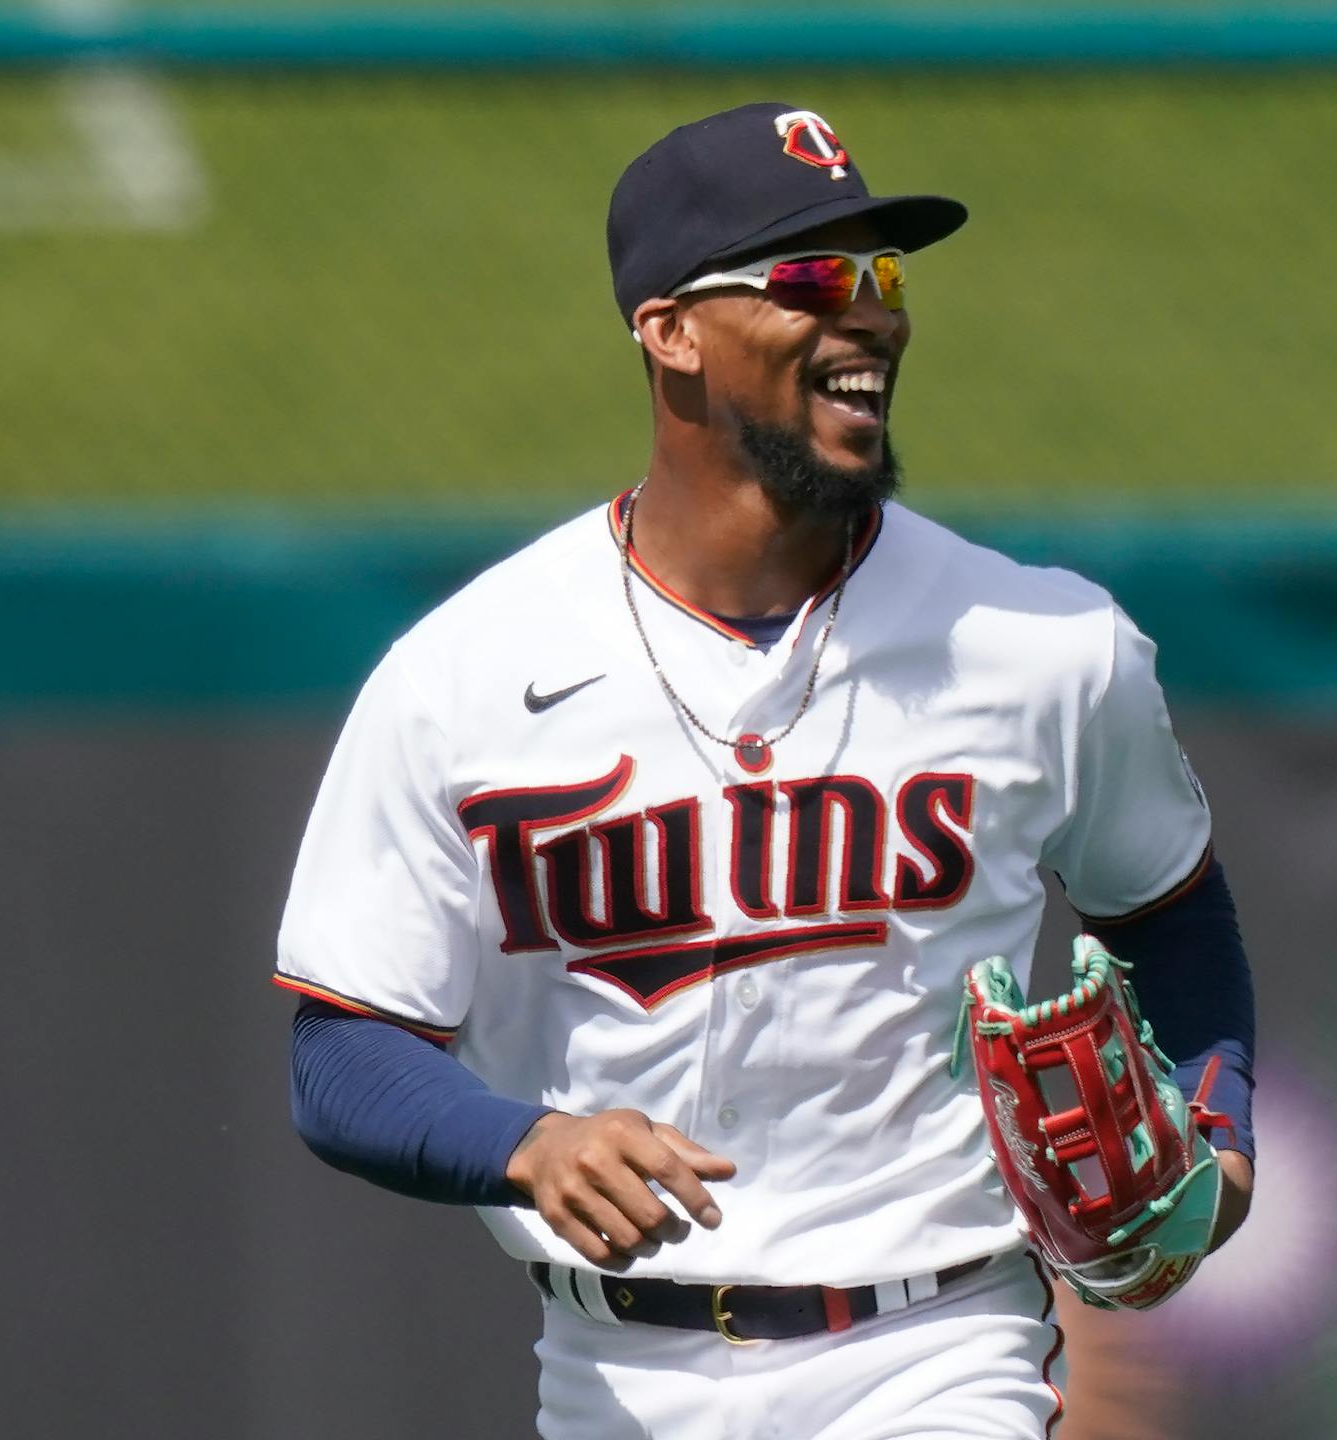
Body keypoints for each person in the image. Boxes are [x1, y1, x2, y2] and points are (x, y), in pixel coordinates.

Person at [274, 101, 1257, 1440]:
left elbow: (1167, 907)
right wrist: (523, 1144)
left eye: (882, 276)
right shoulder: (464, 677)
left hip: (938, 1343)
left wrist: (1217, 1118)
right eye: (807, 278)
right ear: (666, 329)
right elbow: (345, 1045)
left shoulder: (1045, 646)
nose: (868, 318)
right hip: (616, 1368)